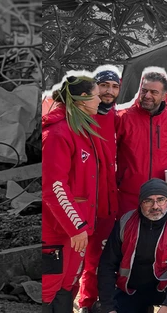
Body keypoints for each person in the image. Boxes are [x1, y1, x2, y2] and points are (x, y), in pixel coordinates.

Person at [43, 75, 102, 312]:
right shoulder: (58, 134)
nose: (100, 100)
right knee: (49, 288)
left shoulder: (79, 128)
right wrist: (76, 226)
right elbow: (54, 187)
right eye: (96, 95)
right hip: (58, 231)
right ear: (83, 100)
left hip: (75, 230)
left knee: (68, 286)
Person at [98, 178, 167, 313]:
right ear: (140, 203)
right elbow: (107, 264)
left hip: (165, 287)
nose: (155, 206)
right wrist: (108, 307)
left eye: (161, 199)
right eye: (148, 201)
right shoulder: (125, 222)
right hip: (132, 289)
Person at [76, 67, 124, 312]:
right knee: (75, 258)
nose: (109, 91)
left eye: (114, 87)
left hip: (106, 200)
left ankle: (88, 303)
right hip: (81, 200)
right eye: (105, 85)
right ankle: (67, 301)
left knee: (98, 258)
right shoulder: (79, 115)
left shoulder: (116, 118)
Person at [115, 67, 167, 215]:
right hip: (129, 194)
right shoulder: (123, 117)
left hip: (159, 196)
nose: (147, 95)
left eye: (154, 92)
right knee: (127, 235)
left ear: (164, 95)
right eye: (144, 90)